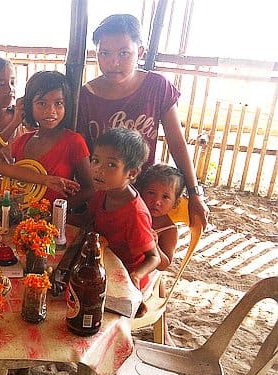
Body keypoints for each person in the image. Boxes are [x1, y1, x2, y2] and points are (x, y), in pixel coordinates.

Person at [76, 13, 209, 230]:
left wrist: (195, 193)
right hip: (102, 200)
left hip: (143, 197)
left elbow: (177, 142)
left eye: (124, 53)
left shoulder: (157, 87)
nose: (113, 62)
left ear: (140, 52)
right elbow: (80, 154)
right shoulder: (84, 97)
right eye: (105, 53)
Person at [74, 128, 160, 296]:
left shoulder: (135, 213)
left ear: (132, 173)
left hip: (126, 276)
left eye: (111, 165)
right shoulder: (103, 191)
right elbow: (85, 219)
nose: (99, 169)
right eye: (95, 160)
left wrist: (136, 275)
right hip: (102, 263)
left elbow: (154, 257)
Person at [0, 70, 93, 210]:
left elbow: (89, 189)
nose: (51, 111)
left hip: (51, 226)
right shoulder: (21, 141)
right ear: (29, 106)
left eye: (58, 103)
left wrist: (56, 212)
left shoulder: (74, 142)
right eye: (42, 103)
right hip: (20, 221)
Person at [136, 164, 186, 273]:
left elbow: (164, 265)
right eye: (151, 193)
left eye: (165, 197)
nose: (156, 202)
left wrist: (154, 244)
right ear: (141, 191)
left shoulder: (169, 230)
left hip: (146, 273)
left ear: (175, 203)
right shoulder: (134, 214)